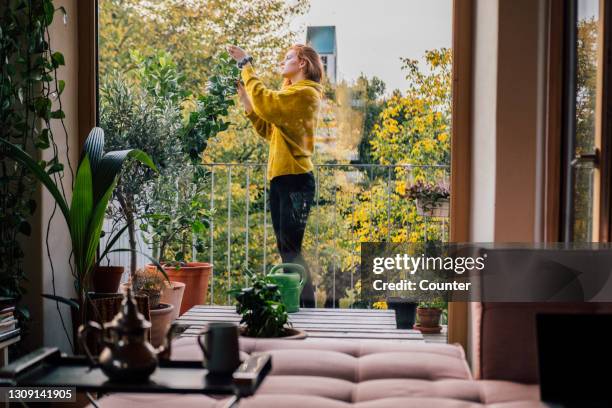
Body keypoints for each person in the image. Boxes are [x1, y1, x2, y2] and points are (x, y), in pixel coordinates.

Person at [227, 44, 324, 307]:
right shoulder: (291, 93)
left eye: (288, 58)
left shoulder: (306, 94)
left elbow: (267, 103)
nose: (283, 62)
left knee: (291, 248)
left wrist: (246, 64)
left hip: (296, 180)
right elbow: (269, 130)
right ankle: (298, 305)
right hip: (282, 178)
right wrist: (247, 100)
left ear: (302, 63)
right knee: (286, 248)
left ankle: (304, 308)